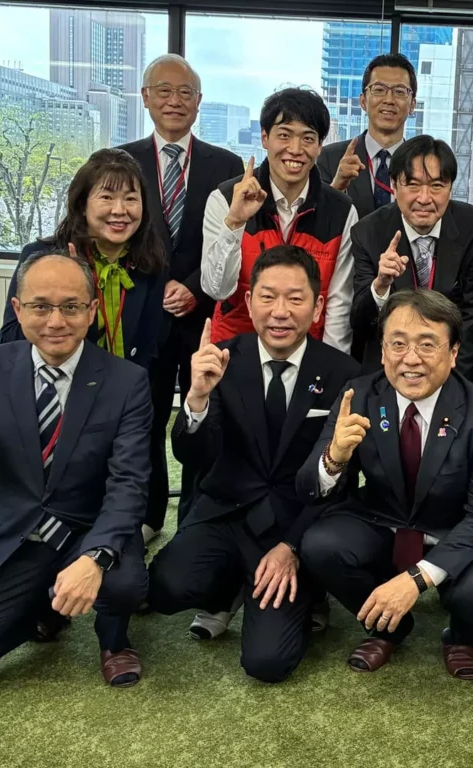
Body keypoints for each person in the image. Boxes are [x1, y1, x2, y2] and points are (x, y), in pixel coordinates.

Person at [0, 250, 152, 702]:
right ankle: (39, 610)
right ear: (18, 310)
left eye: (71, 306)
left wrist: (96, 558)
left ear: (91, 310)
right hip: (13, 536)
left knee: (123, 582)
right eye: (40, 306)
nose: (56, 321)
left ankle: (114, 640)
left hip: (86, 530)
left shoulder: (126, 381)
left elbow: (129, 484)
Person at [147, 246, 359, 680]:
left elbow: (343, 483)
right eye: (267, 297)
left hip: (293, 525)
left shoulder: (345, 373)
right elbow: (191, 456)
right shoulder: (220, 359)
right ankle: (228, 587)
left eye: (295, 299)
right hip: (226, 513)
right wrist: (197, 398)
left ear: (318, 305)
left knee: (267, 662)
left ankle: (307, 588)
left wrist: (293, 547)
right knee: (165, 588)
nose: (280, 312)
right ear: (248, 301)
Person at [298, 290, 473, 679]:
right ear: (383, 351)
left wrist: (414, 580)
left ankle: (461, 634)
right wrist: (334, 456)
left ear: (453, 353)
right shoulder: (359, 396)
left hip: (455, 528)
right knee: (320, 544)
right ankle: (388, 627)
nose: (410, 359)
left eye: (427, 344)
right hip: (385, 519)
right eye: (398, 344)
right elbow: (307, 487)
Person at [119, 54, 245, 540]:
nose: (175, 101)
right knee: (143, 418)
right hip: (142, 314)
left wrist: (192, 287)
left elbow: (229, 238)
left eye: (185, 92)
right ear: (145, 97)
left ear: (199, 101)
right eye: (164, 91)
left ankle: (194, 518)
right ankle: (147, 515)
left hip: (204, 317)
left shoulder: (226, 165)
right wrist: (157, 287)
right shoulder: (120, 161)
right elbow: (112, 235)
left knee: (202, 419)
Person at [201, 88, 356, 353]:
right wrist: (234, 223)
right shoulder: (225, 199)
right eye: (284, 135)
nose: (295, 149)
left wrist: (331, 367)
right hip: (234, 353)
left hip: (306, 357)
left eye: (308, 138)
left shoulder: (341, 211)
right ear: (265, 137)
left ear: (320, 145)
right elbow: (217, 289)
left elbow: (338, 306)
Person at [0, 149, 167, 370]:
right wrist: (71, 289)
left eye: (130, 199)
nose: (119, 210)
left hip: (126, 385)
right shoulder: (42, 257)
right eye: (106, 197)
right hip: (57, 382)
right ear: (82, 206)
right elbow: (10, 340)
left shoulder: (149, 261)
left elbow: (150, 347)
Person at [350, 135, 473, 377]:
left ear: (450, 187)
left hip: (452, 366)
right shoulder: (367, 233)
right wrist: (381, 286)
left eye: (437, 186)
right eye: (413, 185)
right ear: (394, 185)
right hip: (387, 368)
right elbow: (360, 324)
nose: (424, 198)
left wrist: (448, 381)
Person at [317, 53, 417, 220]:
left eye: (400, 92)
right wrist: (337, 188)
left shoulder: (421, 164)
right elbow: (315, 224)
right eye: (379, 90)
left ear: (412, 104)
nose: (389, 100)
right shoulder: (330, 158)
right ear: (363, 101)